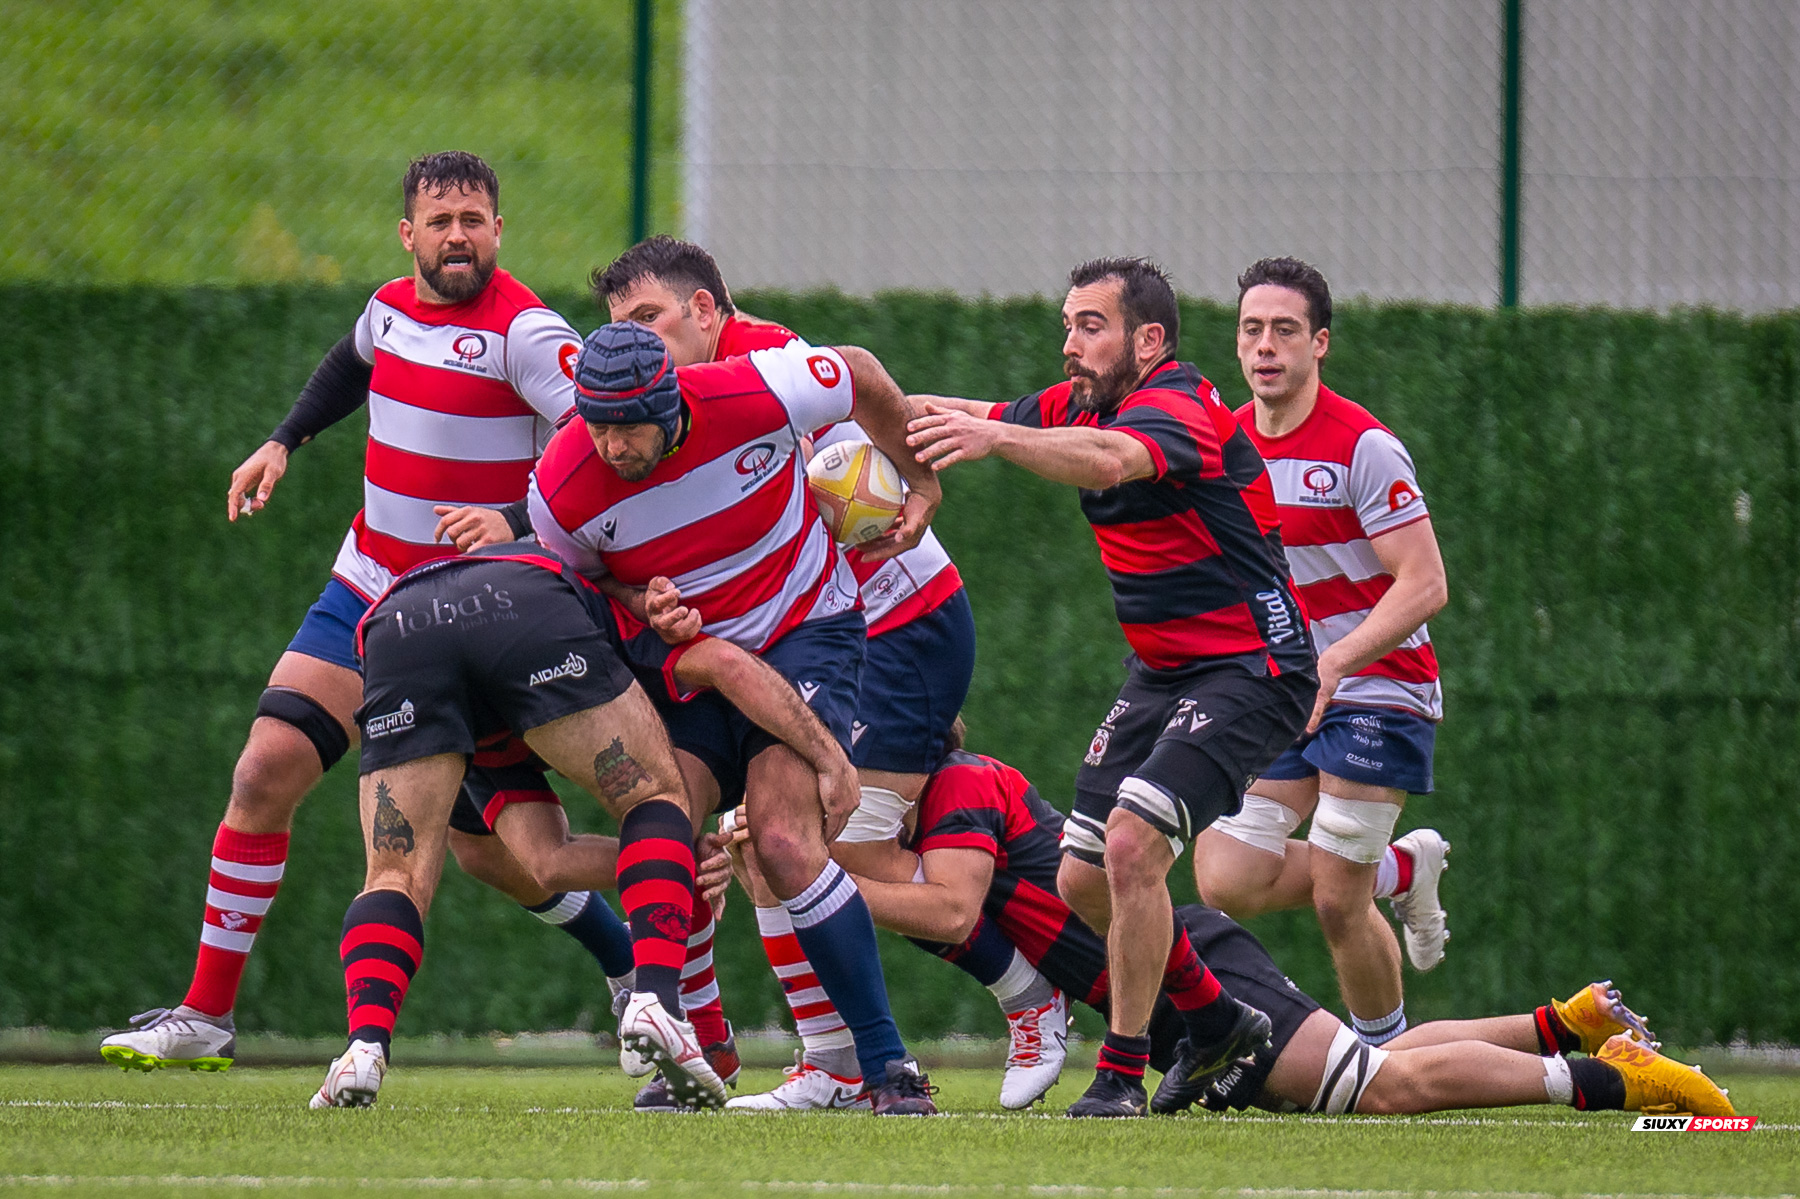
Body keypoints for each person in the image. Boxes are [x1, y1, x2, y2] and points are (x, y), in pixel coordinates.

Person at [100, 151, 638, 1073]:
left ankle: (634, 951)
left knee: (504, 858)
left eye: (473, 218)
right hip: (367, 587)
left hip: (482, 614)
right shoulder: (389, 308)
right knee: (264, 768)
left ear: (499, 231)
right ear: (409, 234)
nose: (457, 234)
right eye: (440, 220)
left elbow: (605, 438)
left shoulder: (528, 333)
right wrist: (283, 440)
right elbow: (350, 365)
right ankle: (205, 1013)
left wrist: (515, 522)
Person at [584, 237, 1058, 1111]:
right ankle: (831, 1062)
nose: (638, 342)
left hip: (897, 629)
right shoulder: (656, 411)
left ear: (704, 310)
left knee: (824, 847)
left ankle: (1025, 993)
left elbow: (867, 396)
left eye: (649, 319)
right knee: (769, 841)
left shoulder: (766, 367)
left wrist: (919, 484)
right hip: (822, 644)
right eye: (621, 328)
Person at [906, 256, 1318, 1117]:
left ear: (1149, 339)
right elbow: (966, 414)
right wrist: (816, 400)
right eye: (1067, 324)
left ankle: (1122, 1073)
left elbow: (1105, 459)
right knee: (1082, 880)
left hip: (1256, 666)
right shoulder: (1086, 399)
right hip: (1166, 671)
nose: (1069, 343)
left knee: (1133, 848)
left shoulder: (1176, 404)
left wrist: (999, 440)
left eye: (1089, 325)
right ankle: (1217, 1020)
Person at [848, 737, 1735, 1121]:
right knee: (1367, 1064)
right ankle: (1564, 1019)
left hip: (1188, 978)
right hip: (1177, 980)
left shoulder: (957, 783)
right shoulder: (933, 801)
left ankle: (1608, 1078)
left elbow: (951, 907)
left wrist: (816, 878)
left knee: (1387, 1091)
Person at [525, 320, 943, 1115]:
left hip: (806, 633)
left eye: (629, 427)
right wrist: (637, 600)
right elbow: (585, 587)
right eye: (597, 426)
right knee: (663, 825)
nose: (611, 447)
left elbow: (857, 368)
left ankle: (886, 1066)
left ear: (670, 403)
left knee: (784, 839)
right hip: (695, 668)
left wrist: (924, 484)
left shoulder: (756, 390)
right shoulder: (559, 487)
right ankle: (698, 1048)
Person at [311, 543, 858, 1109]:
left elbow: (550, 861)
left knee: (394, 875)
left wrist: (683, 859)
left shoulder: (484, 724)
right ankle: (656, 1002)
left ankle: (364, 1049)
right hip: (523, 601)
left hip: (395, 629)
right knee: (657, 796)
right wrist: (828, 757)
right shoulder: (617, 613)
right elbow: (725, 663)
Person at [1194, 257, 1453, 1049]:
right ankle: (1400, 872)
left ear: (1320, 344)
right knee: (1225, 876)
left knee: (1341, 900)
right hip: (1286, 691)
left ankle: (1383, 1054)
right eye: (1251, 330)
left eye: (1285, 330)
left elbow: (1425, 582)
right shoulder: (1227, 444)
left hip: (1380, 685)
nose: (1266, 346)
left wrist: (1335, 663)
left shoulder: (1363, 445)